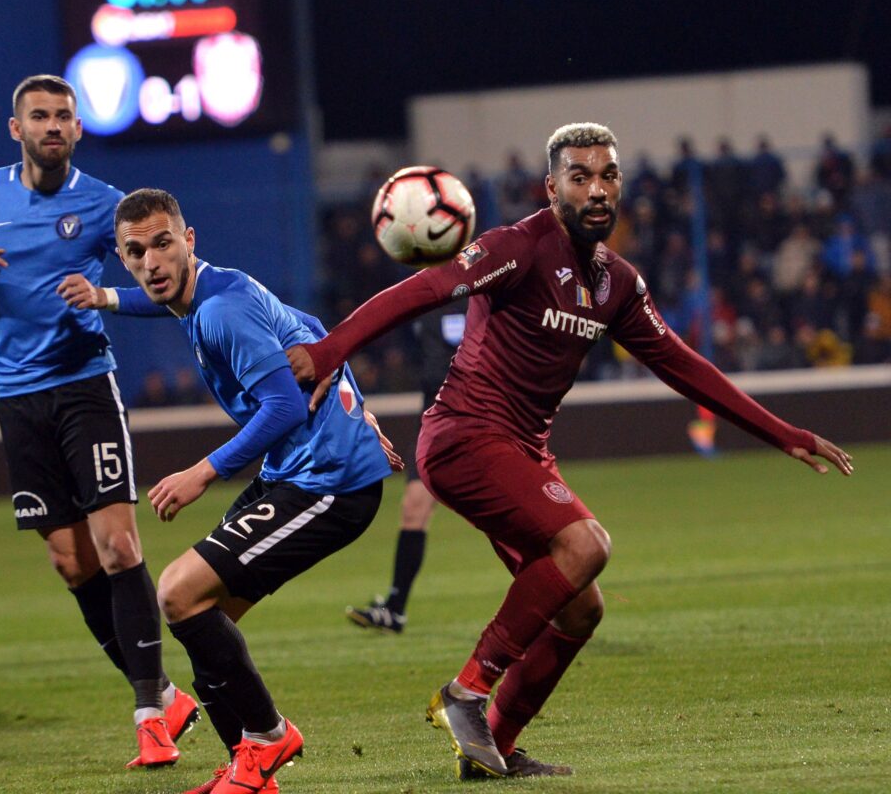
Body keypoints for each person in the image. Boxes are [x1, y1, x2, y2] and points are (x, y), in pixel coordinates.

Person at [286, 123, 853, 778]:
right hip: (466, 435)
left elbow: (682, 365)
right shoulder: (519, 248)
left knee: (582, 606)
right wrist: (331, 350)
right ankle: (467, 691)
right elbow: (425, 290)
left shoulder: (616, 282)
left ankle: (491, 747)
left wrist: (781, 432)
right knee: (587, 546)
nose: (596, 189)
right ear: (552, 187)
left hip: (522, 451)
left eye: (607, 175)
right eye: (579, 176)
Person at [60, 188, 400, 794]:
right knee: (202, 621)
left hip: (329, 482)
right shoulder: (210, 289)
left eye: (164, 244)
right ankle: (250, 772)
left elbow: (284, 408)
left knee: (178, 593)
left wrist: (203, 472)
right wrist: (107, 298)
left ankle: (268, 739)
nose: (152, 263)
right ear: (123, 256)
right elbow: (316, 331)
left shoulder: (221, 313)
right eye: (135, 253)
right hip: (297, 472)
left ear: (189, 241)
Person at [0, 76, 196, 767]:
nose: (51, 126)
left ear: (78, 128)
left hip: (85, 389)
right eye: (38, 116)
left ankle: (147, 719)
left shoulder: (106, 206)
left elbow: (162, 284)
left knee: (119, 548)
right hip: (18, 399)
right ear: (15, 129)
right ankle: (164, 692)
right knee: (70, 562)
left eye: (63, 116)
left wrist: (104, 293)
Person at [345, 298, 466, 634]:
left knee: (504, 516)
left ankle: (556, 589)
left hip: (474, 415)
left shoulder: (480, 293)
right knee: (414, 508)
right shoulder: (426, 297)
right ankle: (395, 609)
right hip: (434, 418)